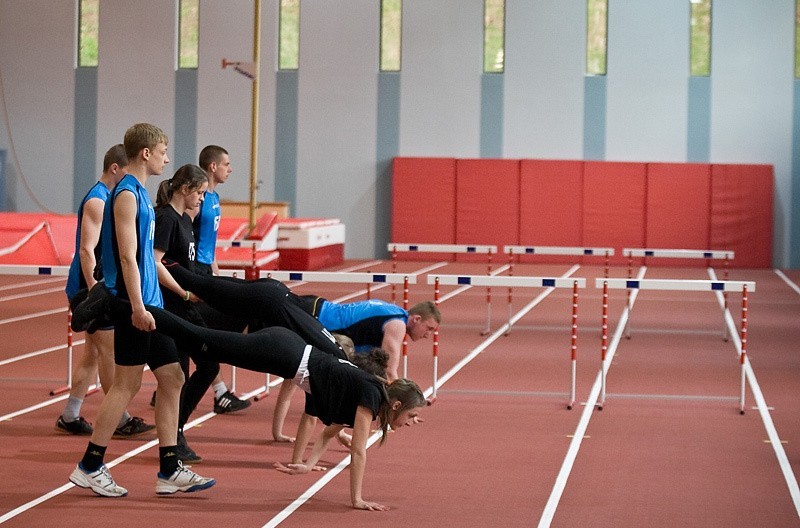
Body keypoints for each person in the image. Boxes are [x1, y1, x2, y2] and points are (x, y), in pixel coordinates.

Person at [143, 303, 426, 511]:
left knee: (207, 343)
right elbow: (358, 452)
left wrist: (308, 464)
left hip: (286, 350)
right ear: (397, 404)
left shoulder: (372, 393)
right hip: (284, 353)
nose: (411, 422)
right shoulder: (372, 395)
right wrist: (357, 499)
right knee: (204, 341)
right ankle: (144, 309)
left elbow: (328, 433)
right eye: (411, 415)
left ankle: (149, 313)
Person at [68, 123, 214, 497]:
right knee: (127, 384)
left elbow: (146, 259)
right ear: (145, 153)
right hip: (133, 305)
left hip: (150, 302)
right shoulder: (127, 195)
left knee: (173, 379)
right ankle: (90, 465)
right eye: (163, 151)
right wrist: (136, 307)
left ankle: (169, 469)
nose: (168, 157)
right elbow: (129, 257)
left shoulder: (143, 195)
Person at [59, 144, 154, 438]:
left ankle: (70, 414)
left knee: (92, 353)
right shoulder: (98, 201)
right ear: (115, 168)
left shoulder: (110, 198)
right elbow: (86, 251)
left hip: (97, 286)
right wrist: (93, 293)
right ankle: (121, 418)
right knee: (110, 352)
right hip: (91, 287)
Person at [153, 164, 217, 464]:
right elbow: (156, 262)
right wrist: (182, 292)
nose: (202, 199)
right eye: (200, 193)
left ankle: (176, 428)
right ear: (184, 188)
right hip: (171, 306)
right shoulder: (166, 218)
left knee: (206, 366)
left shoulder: (185, 220)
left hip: (186, 305)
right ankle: (173, 437)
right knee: (179, 374)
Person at [192, 144, 249, 414]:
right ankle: (220, 392)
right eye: (227, 164)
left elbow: (209, 242)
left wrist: (215, 272)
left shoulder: (214, 198)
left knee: (204, 330)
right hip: (192, 271)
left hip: (206, 269)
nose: (231, 169)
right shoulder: (198, 199)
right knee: (203, 331)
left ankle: (214, 391)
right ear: (212, 166)